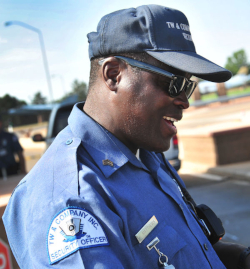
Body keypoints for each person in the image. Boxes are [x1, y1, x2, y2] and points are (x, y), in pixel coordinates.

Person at [2, 4, 250, 269]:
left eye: (188, 86)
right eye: (174, 84)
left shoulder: (146, 154)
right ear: (113, 75)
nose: (184, 101)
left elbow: (193, 254)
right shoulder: (70, 199)